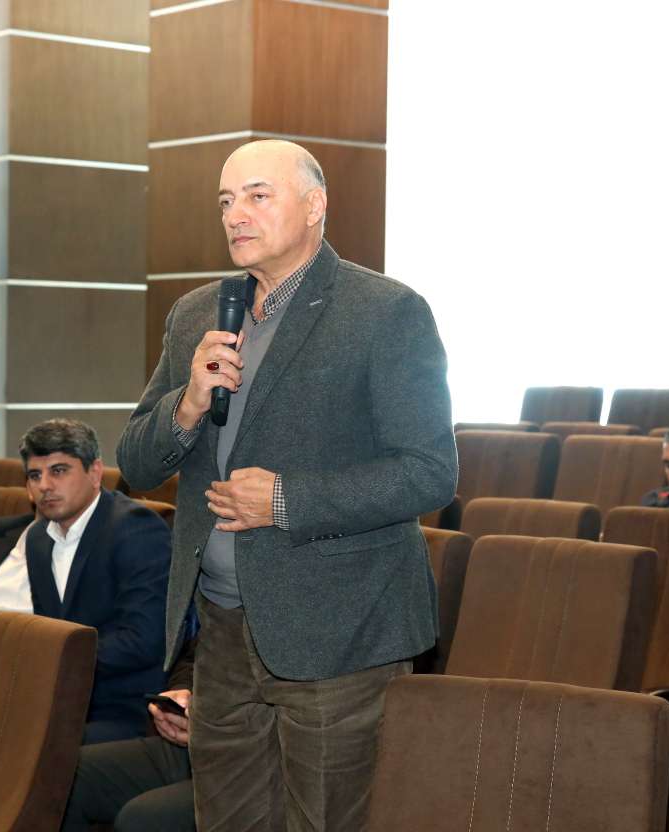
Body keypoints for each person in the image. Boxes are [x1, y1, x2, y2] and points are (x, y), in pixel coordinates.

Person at [111, 139, 457, 830]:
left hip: (338, 630)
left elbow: (428, 472)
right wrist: (187, 404)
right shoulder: (197, 315)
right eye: (226, 200)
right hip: (221, 631)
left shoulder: (384, 311)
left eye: (257, 195)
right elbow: (138, 464)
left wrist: (284, 500)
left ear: (315, 204)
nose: (235, 214)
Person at [0, 419, 171, 745]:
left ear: (95, 472)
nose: (44, 485)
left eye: (58, 471)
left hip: (110, 707)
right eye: (35, 475)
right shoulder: (39, 537)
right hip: (45, 696)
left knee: (1, 742)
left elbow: (141, 640)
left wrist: (43, 660)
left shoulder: (136, 528)